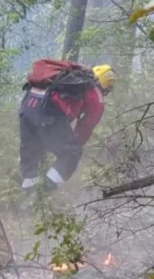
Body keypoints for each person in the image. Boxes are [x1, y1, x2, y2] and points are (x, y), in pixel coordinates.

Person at [18, 60, 115, 191]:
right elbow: (86, 126)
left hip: (27, 108)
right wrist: (70, 147)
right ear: (106, 86)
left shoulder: (67, 76)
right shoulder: (95, 94)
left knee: (34, 155)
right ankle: (44, 191)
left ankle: (26, 200)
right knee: (72, 153)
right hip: (49, 112)